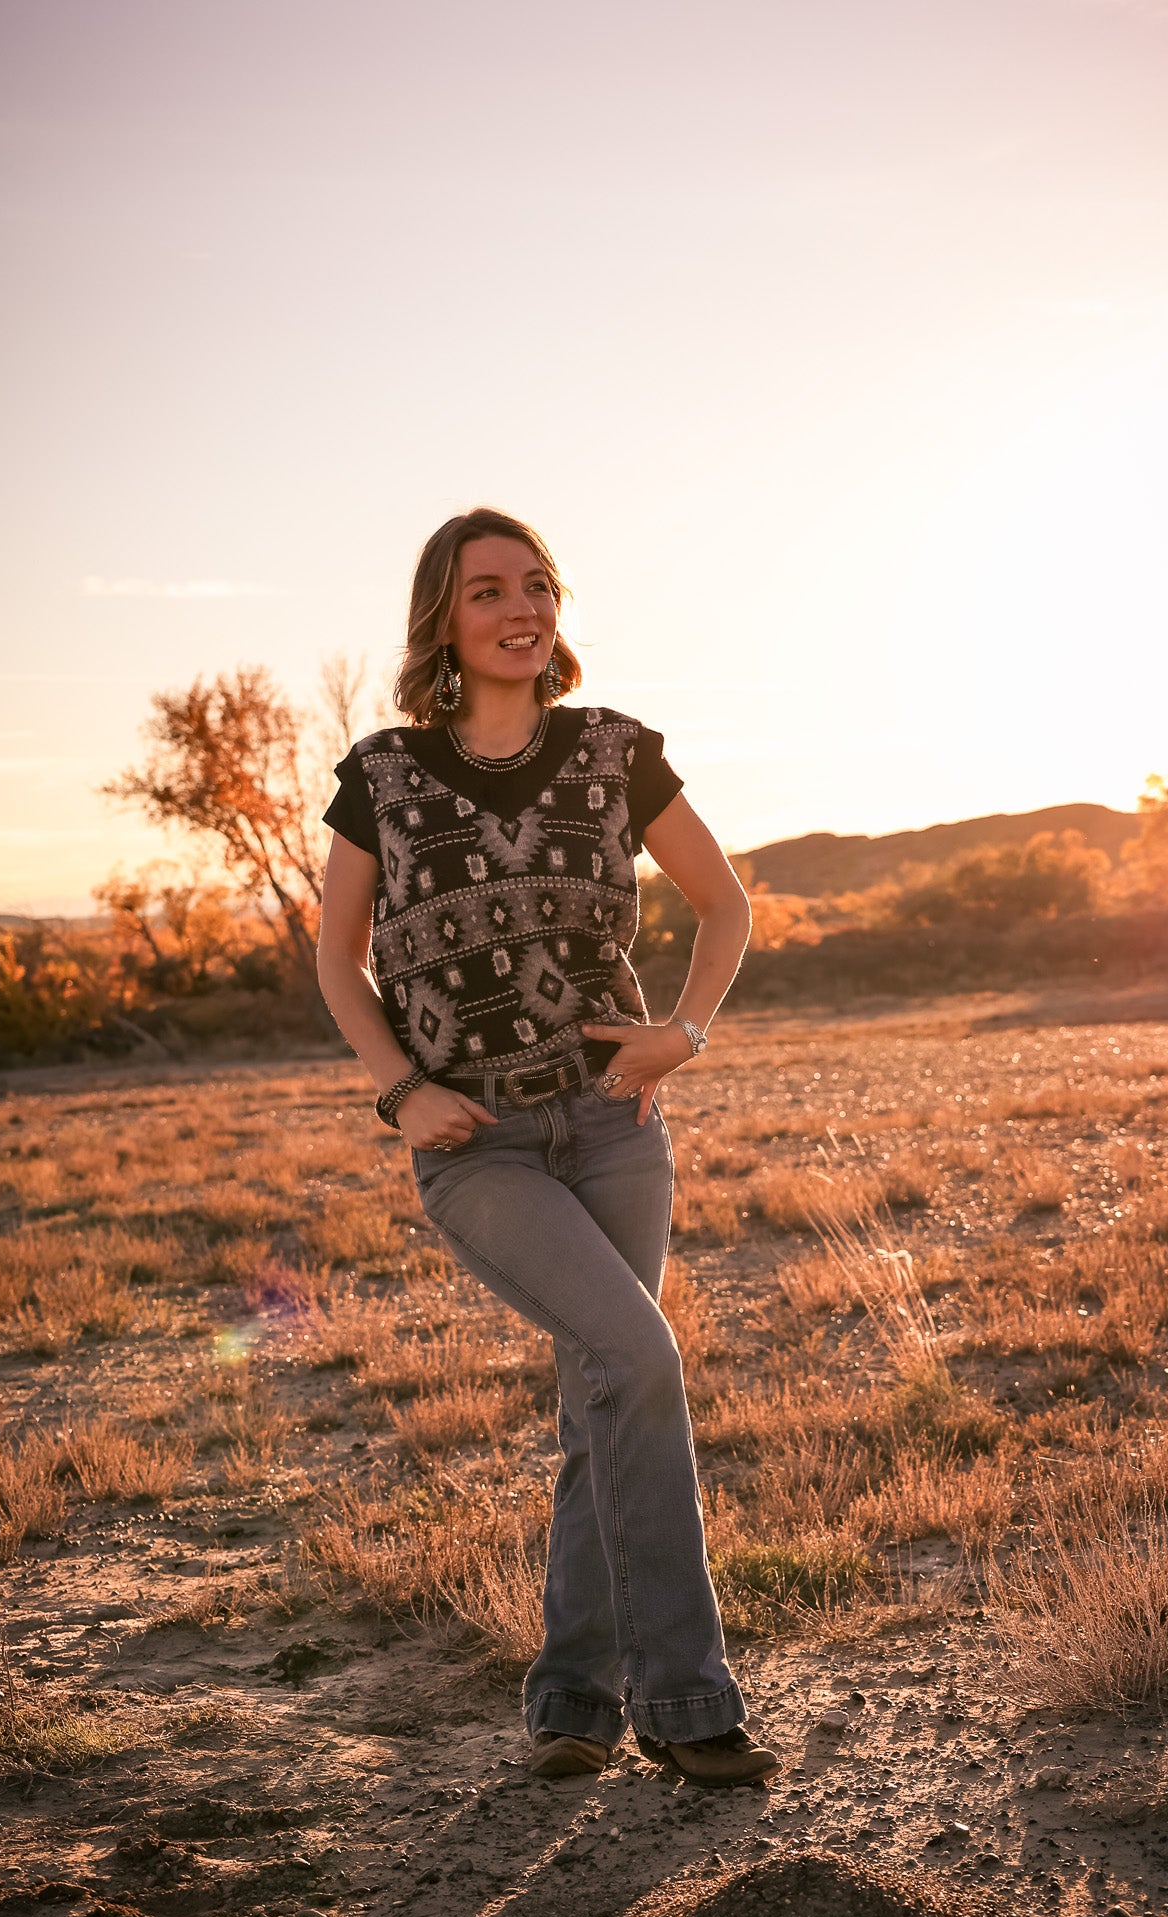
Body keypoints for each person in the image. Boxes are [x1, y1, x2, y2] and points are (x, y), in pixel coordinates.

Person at [316, 507, 778, 1788]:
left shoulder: (615, 750)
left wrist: (682, 1029)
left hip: (615, 1122)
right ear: (443, 620)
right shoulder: (383, 774)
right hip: (480, 1143)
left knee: (602, 1391)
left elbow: (725, 904)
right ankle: (685, 1699)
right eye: (488, 591)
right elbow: (337, 958)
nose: (521, 608)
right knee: (636, 1353)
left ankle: (572, 1698)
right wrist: (401, 1091)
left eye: (537, 585)